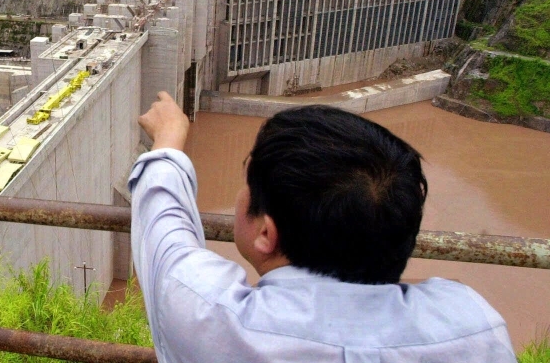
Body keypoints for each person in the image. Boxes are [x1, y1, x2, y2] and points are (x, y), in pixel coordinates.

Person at [130, 92, 515, 362]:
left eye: (247, 182)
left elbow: (166, 230)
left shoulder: (214, 321)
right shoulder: (475, 328)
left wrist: (167, 141)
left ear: (267, 232)